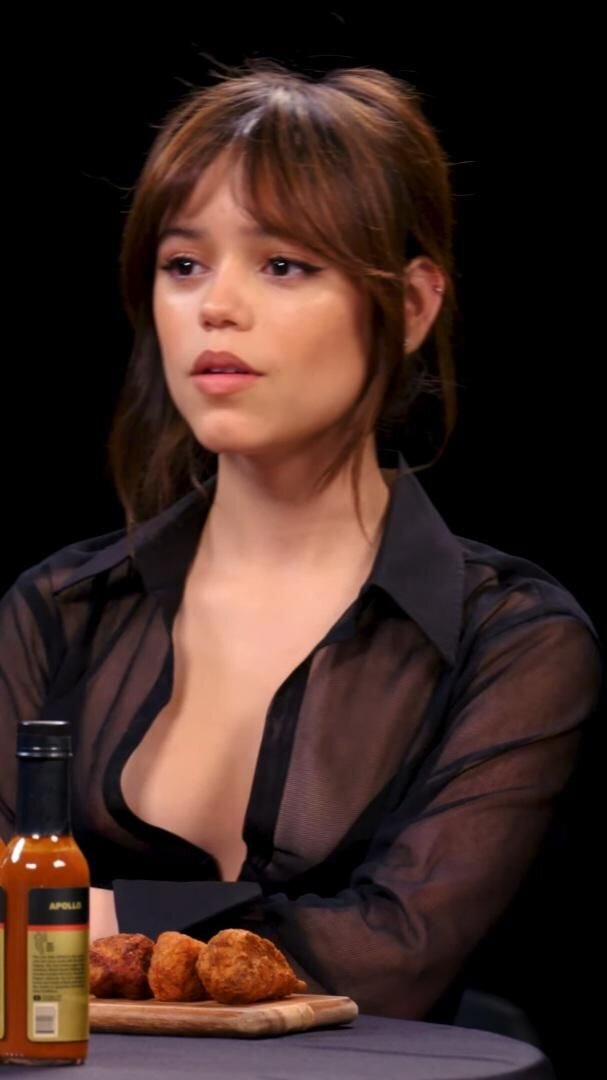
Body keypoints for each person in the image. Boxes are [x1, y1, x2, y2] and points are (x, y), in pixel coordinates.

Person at [0, 63, 601, 1024]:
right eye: (183, 264)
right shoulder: (60, 611)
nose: (216, 305)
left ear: (411, 307)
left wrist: (99, 923)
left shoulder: (510, 638)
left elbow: (394, 959)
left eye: (283, 264)